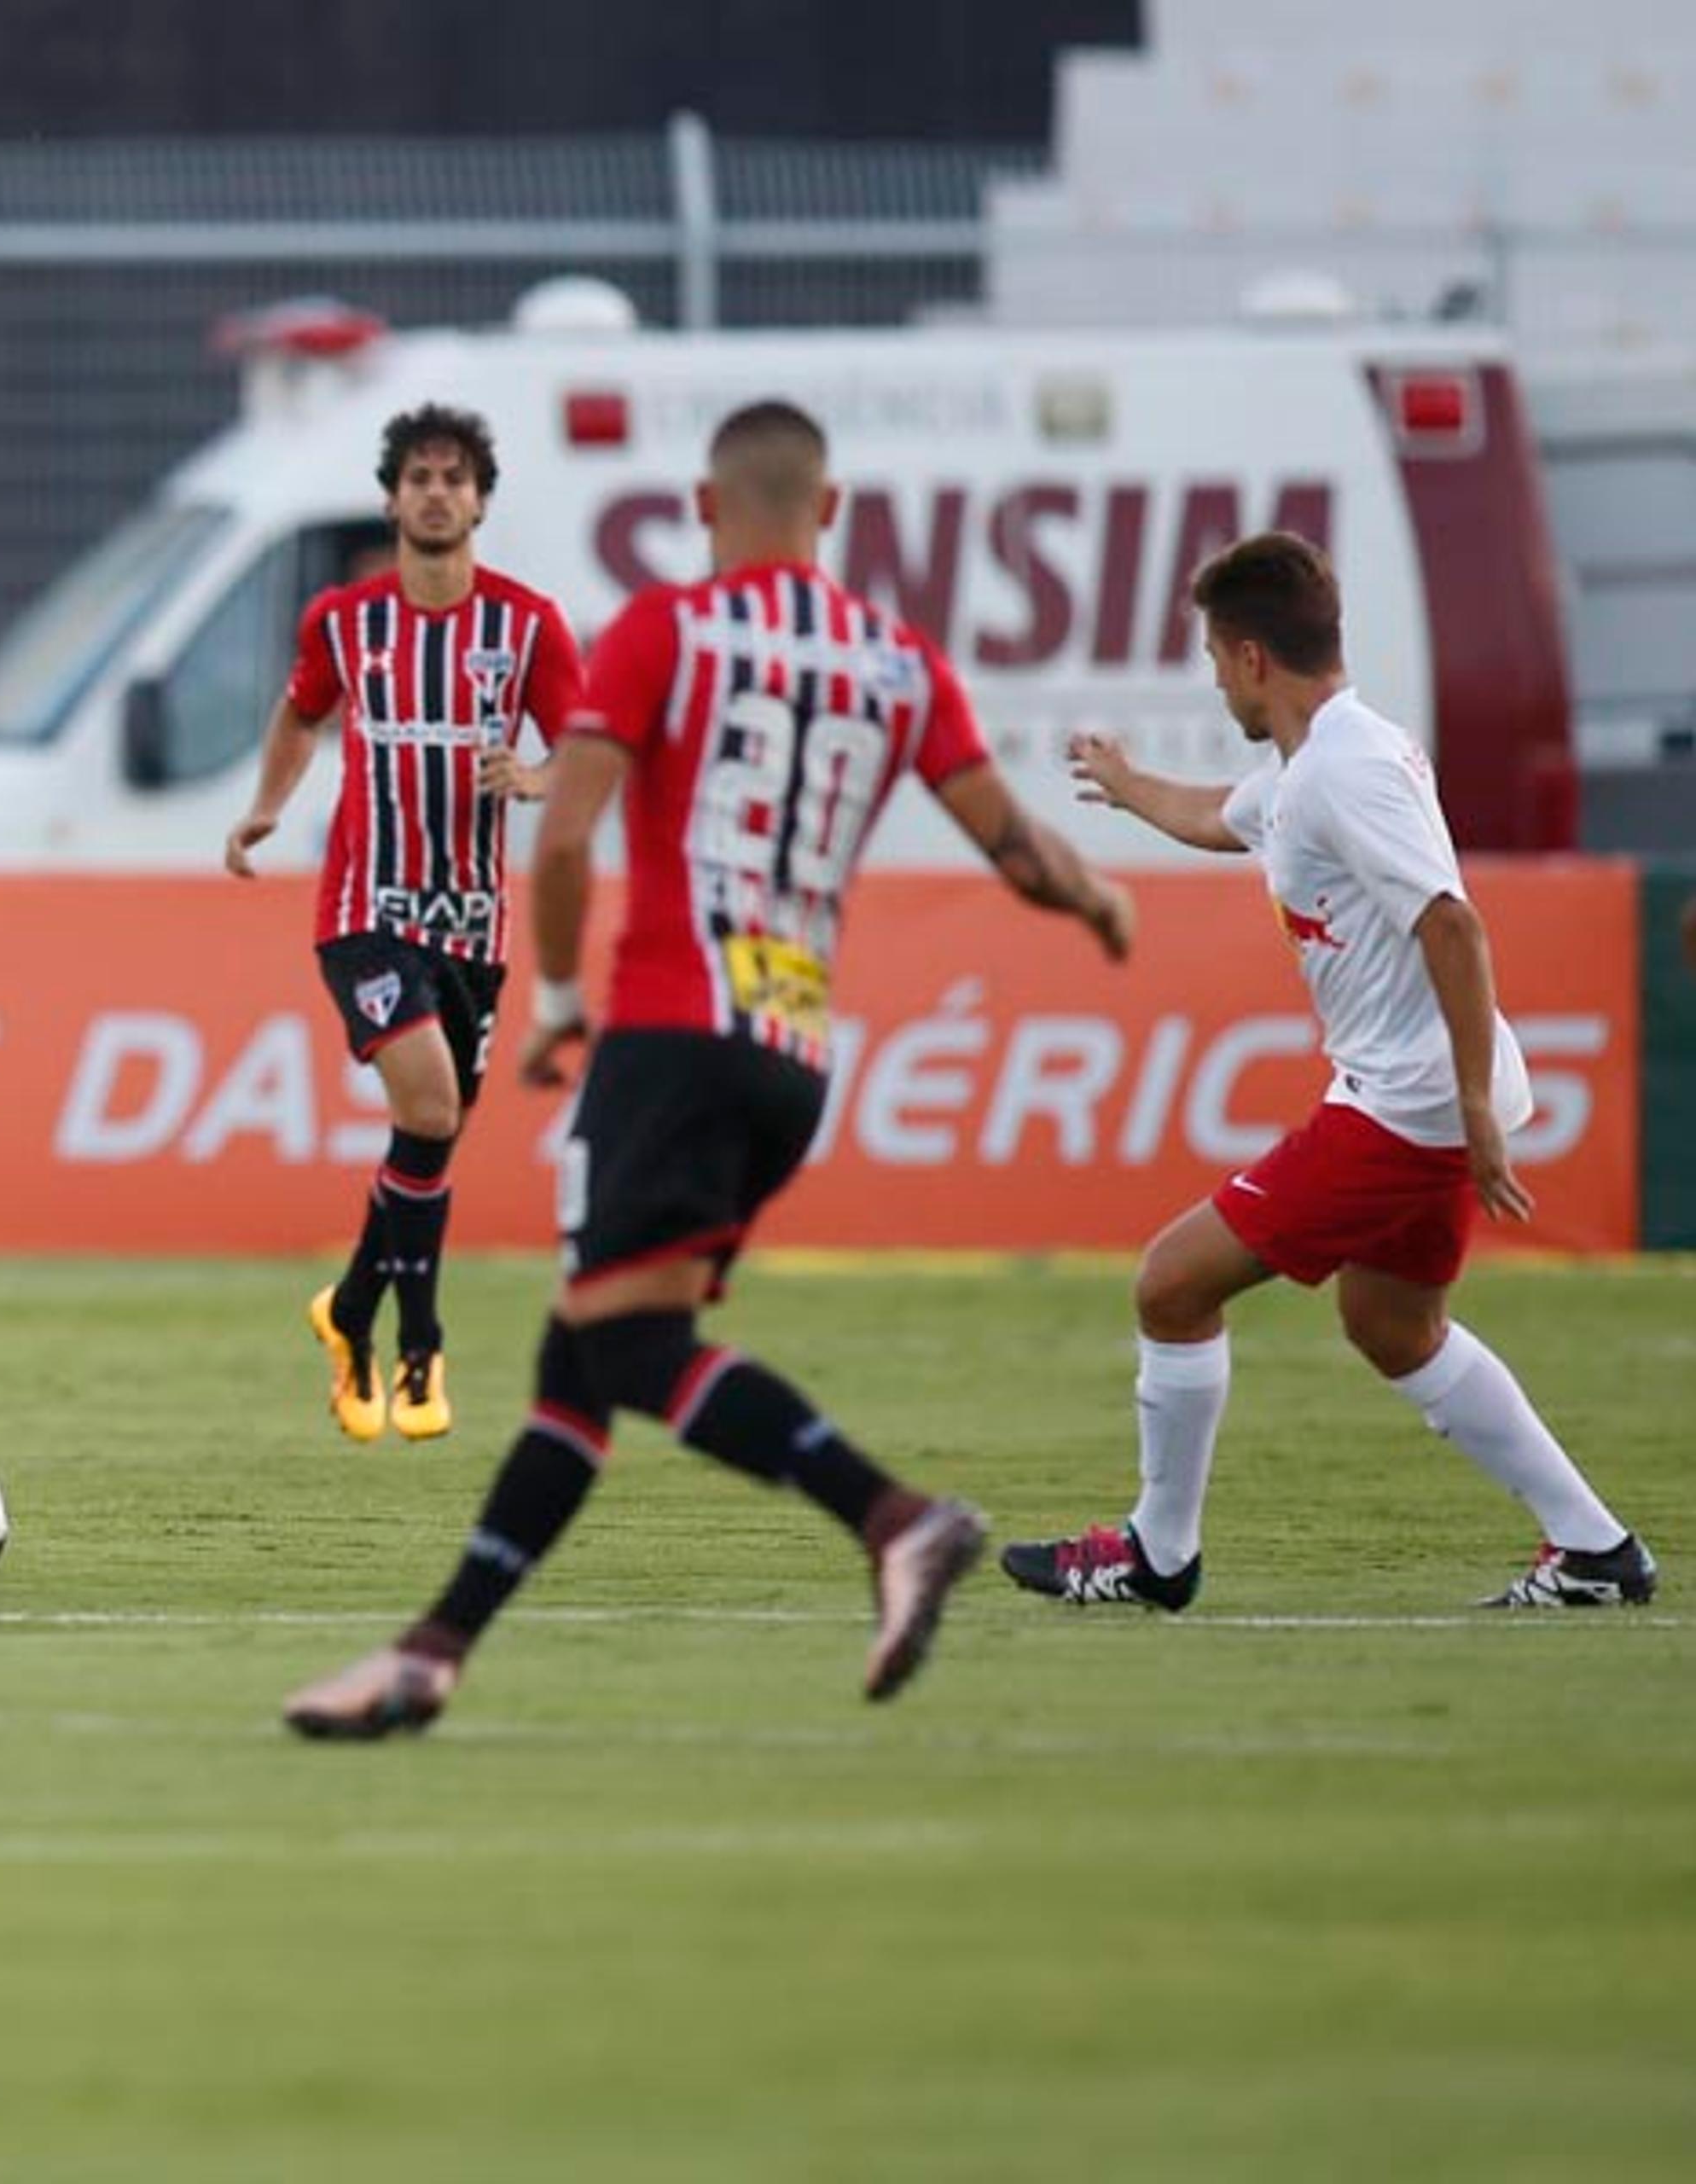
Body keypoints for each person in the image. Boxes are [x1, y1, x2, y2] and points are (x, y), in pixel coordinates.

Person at [283, 400, 1137, 1737]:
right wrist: (1098, 903)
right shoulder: (896, 657)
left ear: (701, 510)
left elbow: (564, 841)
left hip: (677, 1033)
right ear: (833, 513)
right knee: (587, 1360)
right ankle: (430, 1657)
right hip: (794, 1058)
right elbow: (1016, 849)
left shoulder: (664, 633)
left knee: (626, 1343)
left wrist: (561, 1000)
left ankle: (893, 1517)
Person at [1006, 531, 1657, 1612]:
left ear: (1255, 656)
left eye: (1217, 660)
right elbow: (1222, 818)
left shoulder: (1348, 771)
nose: (1216, 682)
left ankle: (1156, 1555)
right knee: (1393, 1324)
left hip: (1408, 1110)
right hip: (1417, 1098)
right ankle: (1596, 1548)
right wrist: (1124, 786)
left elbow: (1452, 925)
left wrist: (1471, 1112)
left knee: (1171, 1285)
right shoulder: (1315, 767)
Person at [225, 404, 582, 1443]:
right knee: (427, 1107)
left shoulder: (527, 626)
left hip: (474, 925)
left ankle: (348, 1311)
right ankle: (420, 1348)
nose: (435, 492)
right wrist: (268, 803)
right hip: (365, 910)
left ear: (479, 500)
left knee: (426, 1144)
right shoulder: (344, 620)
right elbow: (302, 708)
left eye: (453, 477)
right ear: (391, 498)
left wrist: (538, 774)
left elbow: (594, 749)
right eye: (418, 476)